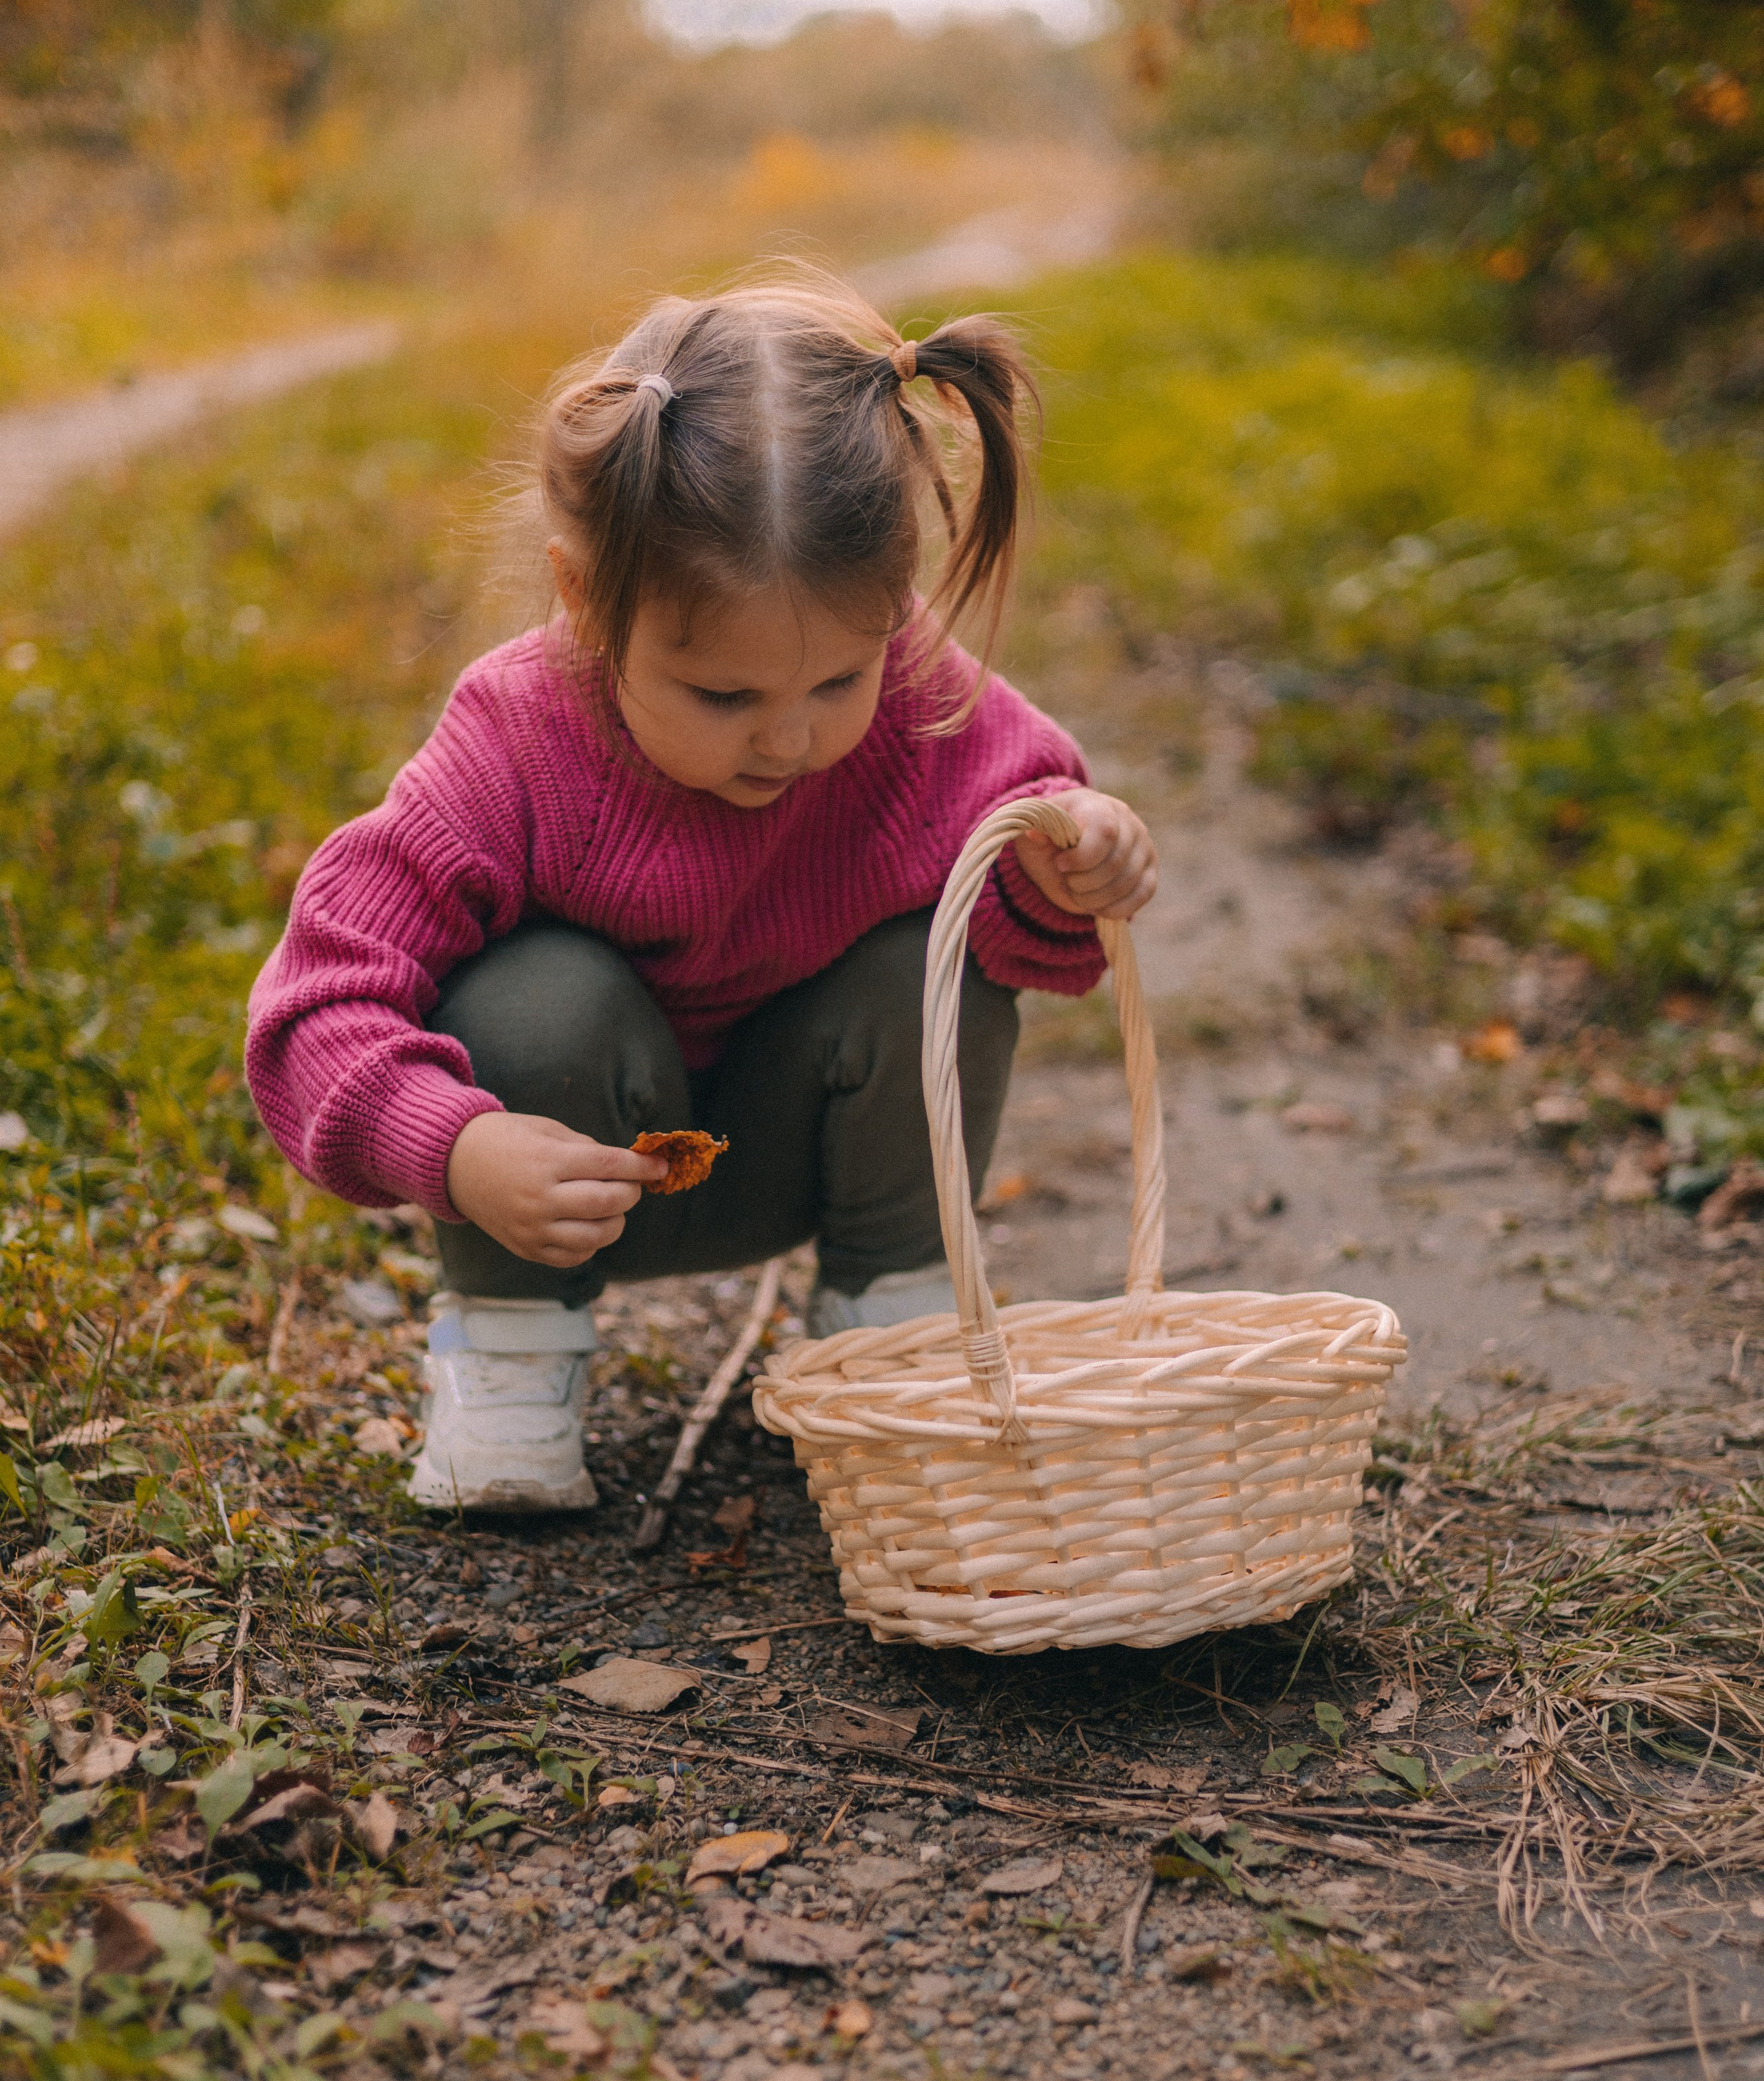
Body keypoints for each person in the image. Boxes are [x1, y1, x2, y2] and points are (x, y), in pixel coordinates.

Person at [245, 271, 1157, 1511]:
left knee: (930, 969)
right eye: (724, 697)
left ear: (891, 610)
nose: (789, 738)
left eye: (837, 681)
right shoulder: (516, 742)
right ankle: (511, 1354)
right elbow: (313, 1006)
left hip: (803, 1148)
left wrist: (1074, 859)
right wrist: (458, 1152)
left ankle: (886, 1327)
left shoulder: (914, 697)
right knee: (534, 994)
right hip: (560, 1177)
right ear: (586, 600)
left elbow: (1034, 862)